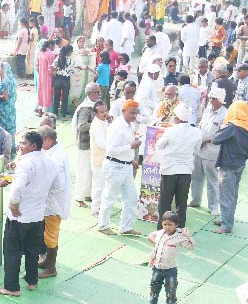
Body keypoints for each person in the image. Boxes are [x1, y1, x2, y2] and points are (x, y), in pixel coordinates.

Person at [0, 131, 54, 296]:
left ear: (33, 146)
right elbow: (56, 186)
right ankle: (32, 281)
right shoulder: (49, 163)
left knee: (12, 252)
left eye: (23, 143)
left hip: (20, 215)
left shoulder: (26, 163)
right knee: (32, 251)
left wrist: (14, 203)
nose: (20, 146)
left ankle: (12, 287)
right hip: (37, 215)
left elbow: (18, 187)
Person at [97, 101, 143, 235]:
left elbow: (123, 145)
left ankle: (126, 227)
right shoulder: (117, 126)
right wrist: (131, 147)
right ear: (123, 111)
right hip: (114, 165)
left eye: (136, 113)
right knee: (110, 197)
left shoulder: (129, 125)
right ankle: (103, 225)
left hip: (126, 165)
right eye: (132, 113)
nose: (134, 116)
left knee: (131, 197)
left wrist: (131, 159)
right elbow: (111, 149)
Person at [153, 105, 202, 228]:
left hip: (170, 169)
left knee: (165, 202)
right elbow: (196, 148)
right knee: (182, 202)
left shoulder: (171, 130)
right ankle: (180, 229)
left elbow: (159, 145)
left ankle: (162, 228)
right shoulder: (196, 132)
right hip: (185, 170)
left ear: (178, 117)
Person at [142, 212, 195, 304]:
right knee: (154, 287)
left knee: (171, 291)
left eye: (170, 225)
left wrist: (188, 236)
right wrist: (157, 244)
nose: (167, 227)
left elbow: (191, 246)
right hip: (157, 267)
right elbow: (150, 236)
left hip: (170, 270)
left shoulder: (179, 237)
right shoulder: (160, 233)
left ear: (176, 225)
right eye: (165, 224)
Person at [212, 101, 248, 233]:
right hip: (239, 163)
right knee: (233, 194)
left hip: (228, 164)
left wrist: (224, 125)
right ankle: (227, 218)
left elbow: (216, 139)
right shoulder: (247, 125)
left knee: (226, 195)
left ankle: (226, 225)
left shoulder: (233, 126)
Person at [36, 126, 71, 278]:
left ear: (48, 140)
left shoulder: (56, 158)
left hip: (53, 203)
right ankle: (46, 261)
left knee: (51, 235)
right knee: (45, 232)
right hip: (47, 202)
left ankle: (51, 268)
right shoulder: (51, 151)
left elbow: (57, 185)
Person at [189, 88, 224, 222]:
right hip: (199, 149)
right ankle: (195, 200)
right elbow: (201, 125)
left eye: (214, 98)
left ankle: (213, 206)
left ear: (220, 100)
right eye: (210, 98)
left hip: (212, 151)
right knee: (196, 177)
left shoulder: (224, 114)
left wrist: (207, 140)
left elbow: (221, 134)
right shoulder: (207, 109)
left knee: (212, 180)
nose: (211, 100)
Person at [73, 84, 102, 206]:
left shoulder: (97, 105)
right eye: (96, 92)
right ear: (89, 94)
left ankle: (88, 194)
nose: (98, 95)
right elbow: (82, 126)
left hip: (94, 144)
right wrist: (97, 123)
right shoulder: (84, 108)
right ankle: (79, 197)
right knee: (83, 171)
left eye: (99, 92)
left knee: (92, 171)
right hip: (85, 144)